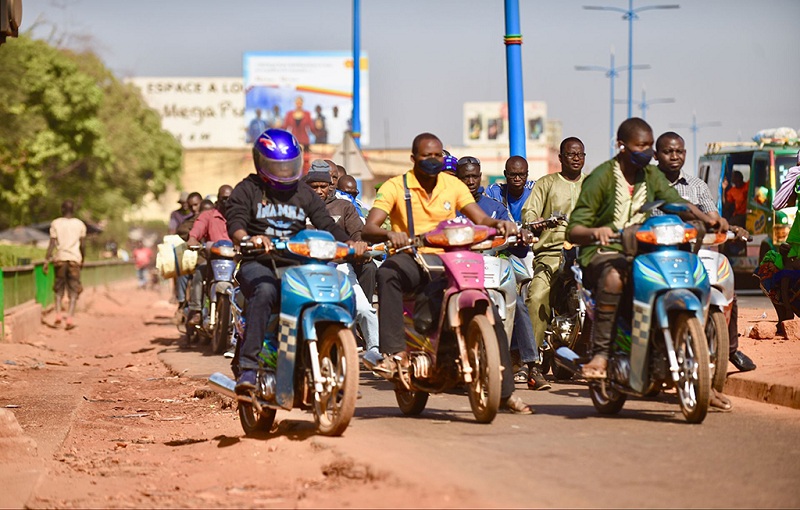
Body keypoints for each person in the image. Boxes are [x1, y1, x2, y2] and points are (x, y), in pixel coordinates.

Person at [362, 132, 533, 414]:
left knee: (489, 308)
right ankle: (393, 354)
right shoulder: (395, 187)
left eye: (438, 155)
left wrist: (501, 227)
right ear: (414, 159)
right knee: (388, 273)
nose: (433, 160)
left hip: (451, 260)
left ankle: (505, 392)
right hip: (414, 257)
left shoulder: (453, 186)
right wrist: (391, 234)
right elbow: (370, 227)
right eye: (427, 156)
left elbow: (480, 218)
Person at [566, 118, 723, 379]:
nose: (648, 151)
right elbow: (574, 230)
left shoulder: (651, 175)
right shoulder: (601, 177)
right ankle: (602, 355)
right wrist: (597, 231)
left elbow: (676, 203)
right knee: (616, 279)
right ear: (622, 146)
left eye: (650, 145)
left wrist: (708, 219)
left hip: (642, 249)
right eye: (641, 145)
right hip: (603, 251)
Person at [225, 129, 365, 393]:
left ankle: (331, 358)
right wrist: (249, 238)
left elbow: (325, 223)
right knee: (266, 291)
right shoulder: (249, 189)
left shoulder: (304, 192)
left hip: (297, 263)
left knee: (330, 291)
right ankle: (249, 367)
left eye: (289, 166)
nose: (284, 171)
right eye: (277, 166)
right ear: (261, 163)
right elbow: (236, 222)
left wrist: (350, 244)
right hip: (259, 263)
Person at [653, 131, 752, 409]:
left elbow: (712, 217)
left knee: (723, 288)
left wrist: (730, 227)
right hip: (660, 259)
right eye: (668, 152)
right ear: (656, 155)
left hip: (694, 257)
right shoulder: (648, 184)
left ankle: (729, 350)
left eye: (680, 151)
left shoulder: (697, 185)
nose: (675, 156)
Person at [456, 156, 546, 390]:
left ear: (481, 176)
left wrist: (521, 235)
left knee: (516, 301)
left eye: (475, 176)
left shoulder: (494, 208)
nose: (471, 181)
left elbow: (515, 238)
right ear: (458, 178)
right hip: (457, 270)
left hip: (488, 267)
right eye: (465, 177)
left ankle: (531, 365)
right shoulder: (449, 208)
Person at [522, 137, 588, 388]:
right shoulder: (546, 183)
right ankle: (533, 363)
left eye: (580, 154)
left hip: (588, 254)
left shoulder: (593, 185)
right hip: (551, 253)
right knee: (537, 295)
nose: (575, 158)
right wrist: (537, 221)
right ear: (560, 158)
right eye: (570, 154)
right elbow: (529, 213)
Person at [305, 162, 381, 364]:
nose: (319, 191)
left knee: (364, 310)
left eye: (324, 186)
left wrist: (360, 245)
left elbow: (358, 234)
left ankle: (373, 350)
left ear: (331, 185)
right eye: (314, 187)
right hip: (303, 269)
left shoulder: (344, 207)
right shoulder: (297, 206)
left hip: (339, 267)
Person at [185, 185, 233, 329]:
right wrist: (193, 239)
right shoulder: (208, 215)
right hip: (213, 260)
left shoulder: (239, 215)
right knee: (199, 274)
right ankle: (197, 310)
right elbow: (197, 230)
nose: (227, 202)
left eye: (230, 198)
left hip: (235, 260)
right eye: (224, 198)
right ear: (218, 199)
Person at [43, 199, 86, 330]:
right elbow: (83, 245)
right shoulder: (80, 224)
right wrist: (83, 259)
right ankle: (69, 319)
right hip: (74, 259)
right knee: (73, 290)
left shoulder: (56, 223)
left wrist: (46, 260)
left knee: (58, 288)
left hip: (60, 259)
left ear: (62, 210)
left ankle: (57, 314)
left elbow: (51, 243)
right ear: (73, 210)